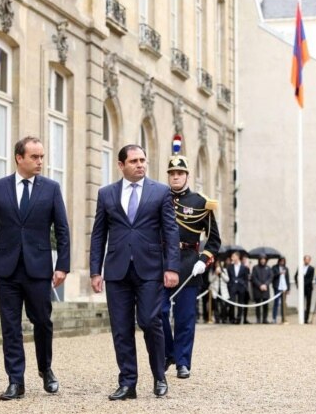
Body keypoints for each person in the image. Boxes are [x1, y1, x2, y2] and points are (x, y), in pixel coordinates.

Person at [0, 136, 70, 400]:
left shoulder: (51, 189)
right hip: (6, 268)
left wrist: (62, 266)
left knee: (42, 321)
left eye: (42, 157)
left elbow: (62, 230)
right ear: (19, 158)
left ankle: (45, 368)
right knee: (10, 326)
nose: (40, 161)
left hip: (38, 268)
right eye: (35, 157)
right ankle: (15, 381)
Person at [89, 144, 179, 400]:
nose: (140, 164)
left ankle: (159, 376)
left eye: (142, 160)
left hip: (150, 269)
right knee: (121, 328)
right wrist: (95, 271)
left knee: (150, 321)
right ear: (121, 165)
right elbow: (98, 235)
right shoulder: (106, 194)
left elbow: (171, 231)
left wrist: (172, 267)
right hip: (116, 270)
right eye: (134, 161)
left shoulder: (160, 192)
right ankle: (128, 383)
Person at [160, 155, 220, 379]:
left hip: (188, 262)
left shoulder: (200, 202)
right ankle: (168, 353)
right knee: (158, 312)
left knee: (185, 316)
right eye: (172, 174)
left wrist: (203, 260)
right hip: (162, 261)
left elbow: (214, 240)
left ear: (187, 176)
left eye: (180, 173)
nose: (176, 177)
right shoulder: (159, 197)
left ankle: (183, 362)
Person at [226, 252, 250, 324]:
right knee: (232, 302)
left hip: (241, 287)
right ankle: (232, 318)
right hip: (232, 286)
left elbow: (246, 278)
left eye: (233, 256)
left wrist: (245, 286)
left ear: (237, 257)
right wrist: (230, 285)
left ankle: (239, 318)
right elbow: (228, 277)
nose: (232, 258)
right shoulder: (230, 267)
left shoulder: (244, 267)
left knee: (240, 303)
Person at [250, 256, 272, 324]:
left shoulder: (268, 268)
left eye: (264, 259)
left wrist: (266, 284)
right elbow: (254, 278)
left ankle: (265, 319)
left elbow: (270, 277)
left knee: (265, 305)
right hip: (257, 289)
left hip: (265, 289)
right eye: (261, 259)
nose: (263, 261)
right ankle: (258, 319)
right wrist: (260, 285)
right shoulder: (255, 268)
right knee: (258, 305)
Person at [294, 255, 315, 324]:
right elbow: (295, 276)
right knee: (301, 302)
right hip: (301, 288)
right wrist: (298, 284)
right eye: (306, 259)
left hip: (308, 288)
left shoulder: (311, 268)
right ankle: (301, 317)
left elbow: (310, 279)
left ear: (310, 261)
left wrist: (303, 284)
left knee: (308, 303)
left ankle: (306, 318)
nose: (307, 261)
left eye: (308, 260)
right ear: (304, 260)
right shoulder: (300, 267)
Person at [271, 257, 290, 324]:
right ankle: (274, 318)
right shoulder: (274, 267)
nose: (282, 262)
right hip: (277, 287)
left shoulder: (286, 268)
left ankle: (283, 318)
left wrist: (288, 288)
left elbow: (287, 278)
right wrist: (279, 273)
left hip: (284, 287)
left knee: (283, 303)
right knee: (276, 303)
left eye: (283, 261)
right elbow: (272, 276)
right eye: (281, 261)